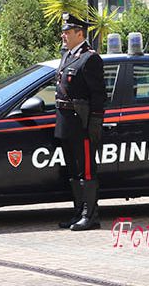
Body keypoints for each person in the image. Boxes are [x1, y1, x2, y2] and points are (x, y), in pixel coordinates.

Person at [55, 12, 106, 231]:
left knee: (86, 170)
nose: (64, 36)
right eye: (63, 32)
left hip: (82, 123)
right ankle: (78, 212)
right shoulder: (67, 55)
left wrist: (94, 124)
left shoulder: (90, 58)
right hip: (67, 122)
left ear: (80, 33)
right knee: (74, 170)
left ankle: (90, 215)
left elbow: (98, 95)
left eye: (68, 32)